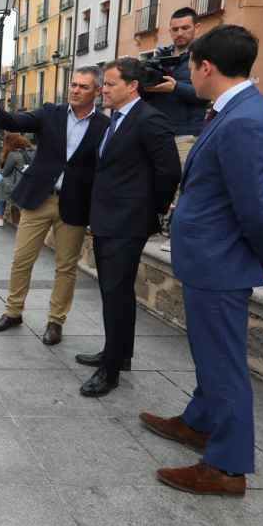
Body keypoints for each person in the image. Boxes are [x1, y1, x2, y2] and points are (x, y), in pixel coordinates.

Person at [140, 25, 263, 497]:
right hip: (213, 257)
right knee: (211, 358)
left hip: (219, 262)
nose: (188, 73)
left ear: (205, 67)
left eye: (190, 65)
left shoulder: (246, 120)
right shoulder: (239, 111)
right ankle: (199, 423)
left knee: (223, 366)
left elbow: (253, 203)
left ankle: (227, 468)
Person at [0, 67, 110, 346]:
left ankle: (55, 322)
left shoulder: (105, 126)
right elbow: (14, 119)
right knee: (22, 259)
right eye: (73, 84)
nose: (75, 90)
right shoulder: (51, 112)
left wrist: (98, 212)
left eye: (83, 87)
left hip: (74, 203)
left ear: (98, 92)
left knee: (66, 267)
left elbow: (104, 170)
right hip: (40, 197)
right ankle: (13, 313)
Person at [77, 57, 181, 397]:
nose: (102, 89)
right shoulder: (115, 120)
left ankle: (110, 371)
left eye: (109, 84)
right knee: (114, 292)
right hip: (109, 219)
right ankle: (118, 355)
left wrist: (150, 215)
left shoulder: (151, 120)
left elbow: (168, 173)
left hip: (128, 223)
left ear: (132, 86)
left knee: (115, 293)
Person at [141, 7, 212, 252]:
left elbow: (204, 94)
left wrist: (173, 88)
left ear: (196, 28)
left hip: (184, 133)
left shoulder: (204, 56)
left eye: (185, 28)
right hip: (156, 132)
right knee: (152, 182)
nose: (179, 33)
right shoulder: (160, 56)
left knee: (185, 188)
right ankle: (148, 227)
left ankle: (178, 236)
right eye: (175, 29)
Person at [0, 133, 33, 227]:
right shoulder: (31, 151)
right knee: (3, 183)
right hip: (28, 183)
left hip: (16, 185)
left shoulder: (13, 154)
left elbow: (5, 174)